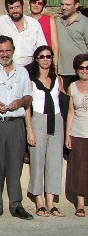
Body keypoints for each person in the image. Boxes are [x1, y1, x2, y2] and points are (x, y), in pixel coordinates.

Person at [0, 35, 33, 221]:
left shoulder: (22, 72)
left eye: (8, 50)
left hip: (15, 124)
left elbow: (28, 97)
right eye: (0, 51)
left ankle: (16, 205)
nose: (4, 54)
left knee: (15, 166)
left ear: (13, 50)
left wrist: (20, 102)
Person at [25, 46, 65, 217]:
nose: (45, 59)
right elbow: (27, 107)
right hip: (38, 120)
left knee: (54, 162)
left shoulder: (58, 79)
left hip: (56, 119)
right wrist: (29, 130)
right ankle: (39, 201)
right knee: (37, 160)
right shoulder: (31, 81)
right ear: (37, 59)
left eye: (48, 56)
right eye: (42, 57)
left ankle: (51, 202)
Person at [0, 0, 45, 67]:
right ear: (7, 10)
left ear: (22, 7)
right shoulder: (0, 21)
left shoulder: (33, 23)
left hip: (29, 66)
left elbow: (42, 46)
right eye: (11, 8)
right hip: (7, 66)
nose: (15, 11)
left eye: (17, 7)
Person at [65, 53, 88, 218]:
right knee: (79, 168)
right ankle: (80, 203)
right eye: (81, 67)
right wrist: (68, 135)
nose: (85, 70)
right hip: (78, 132)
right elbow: (71, 112)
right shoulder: (72, 87)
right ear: (76, 70)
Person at [56, 0, 88, 84]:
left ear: (76, 5)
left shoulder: (85, 22)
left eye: (68, 4)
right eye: (62, 4)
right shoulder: (58, 21)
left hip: (81, 72)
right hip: (62, 72)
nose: (64, 7)